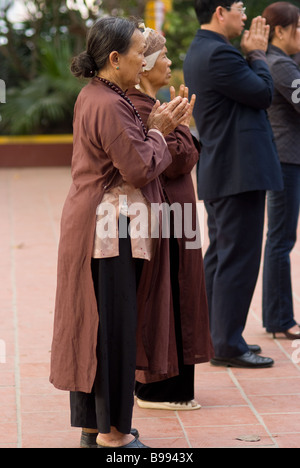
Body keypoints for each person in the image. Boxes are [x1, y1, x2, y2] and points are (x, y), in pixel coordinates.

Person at [49, 16, 191, 449]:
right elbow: (139, 166)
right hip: (110, 231)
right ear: (115, 59)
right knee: (111, 328)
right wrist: (159, 132)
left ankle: (95, 427)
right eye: (138, 51)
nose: (144, 59)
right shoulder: (109, 103)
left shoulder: (99, 95)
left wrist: (154, 130)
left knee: (97, 327)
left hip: (101, 226)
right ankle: (113, 436)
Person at [183, 1, 284, 368]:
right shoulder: (218, 55)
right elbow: (262, 94)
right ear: (220, 12)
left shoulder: (206, 49)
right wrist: (258, 54)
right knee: (237, 259)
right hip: (237, 171)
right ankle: (226, 343)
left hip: (226, 169)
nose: (246, 17)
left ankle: (217, 336)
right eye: (240, 9)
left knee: (223, 257)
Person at [127, 27, 214, 411]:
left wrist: (179, 128)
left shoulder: (154, 105)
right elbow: (177, 159)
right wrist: (179, 128)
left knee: (183, 290)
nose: (169, 64)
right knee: (166, 293)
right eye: (162, 57)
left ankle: (169, 383)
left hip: (177, 216)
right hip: (164, 219)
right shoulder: (138, 108)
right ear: (143, 66)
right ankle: (158, 387)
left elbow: (186, 152)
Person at [261, 2, 300, 340]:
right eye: (297, 27)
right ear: (281, 31)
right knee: (280, 240)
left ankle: (277, 316)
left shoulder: (282, 62)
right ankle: (279, 318)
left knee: (280, 238)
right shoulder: (281, 66)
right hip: (285, 160)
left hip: (285, 159)